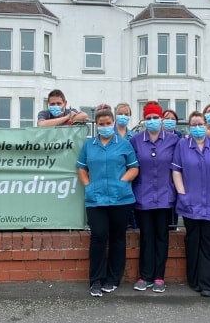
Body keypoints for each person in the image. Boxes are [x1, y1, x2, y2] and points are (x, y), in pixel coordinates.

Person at [76, 104, 139, 297]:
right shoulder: (89, 145)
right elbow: (81, 167)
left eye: (108, 123)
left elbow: (134, 168)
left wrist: (122, 182)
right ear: (96, 125)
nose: (105, 126)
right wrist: (87, 185)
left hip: (121, 199)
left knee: (118, 239)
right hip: (96, 200)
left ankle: (113, 279)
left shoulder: (124, 144)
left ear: (112, 123)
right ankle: (96, 280)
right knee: (98, 237)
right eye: (101, 123)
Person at [171, 111, 210, 297]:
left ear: (206, 126)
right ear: (189, 127)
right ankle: (194, 280)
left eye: (200, 124)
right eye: (193, 125)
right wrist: (182, 194)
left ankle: (208, 283)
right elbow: (176, 171)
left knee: (209, 242)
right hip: (190, 202)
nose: (197, 128)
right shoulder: (182, 145)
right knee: (192, 241)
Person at [129, 102, 179, 293]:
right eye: (148, 118)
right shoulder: (136, 140)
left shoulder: (173, 140)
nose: (152, 121)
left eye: (155, 117)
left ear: (161, 119)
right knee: (146, 237)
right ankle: (145, 276)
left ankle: (159, 277)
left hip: (165, 196)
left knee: (162, 237)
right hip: (143, 196)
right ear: (144, 120)